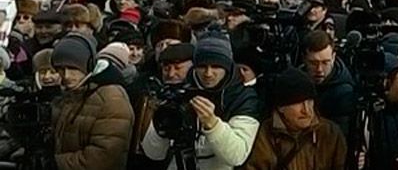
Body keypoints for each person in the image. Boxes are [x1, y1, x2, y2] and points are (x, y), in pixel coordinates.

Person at [142, 30, 260, 170]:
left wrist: (213, 124)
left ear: (227, 66)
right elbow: (153, 153)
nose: (208, 74)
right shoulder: (181, 90)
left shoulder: (242, 98)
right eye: (202, 66)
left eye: (216, 66)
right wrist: (162, 123)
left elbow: (237, 156)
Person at [51, 33, 134, 170]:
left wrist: (56, 163)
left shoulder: (111, 99)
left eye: (73, 68)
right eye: (60, 69)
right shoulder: (69, 95)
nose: (66, 75)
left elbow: (103, 156)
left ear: (88, 66)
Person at [242, 67, 346, 170]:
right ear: (281, 108)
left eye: (309, 102)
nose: (306, 110)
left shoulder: (330, 133)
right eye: (298, 103)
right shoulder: (265, 135)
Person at [301, 30, 356, 137]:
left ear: (334, 57)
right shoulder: (297, 81)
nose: (319, 69)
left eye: (325, 62)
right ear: (304, 59)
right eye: (313, 63)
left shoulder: (344, 92)